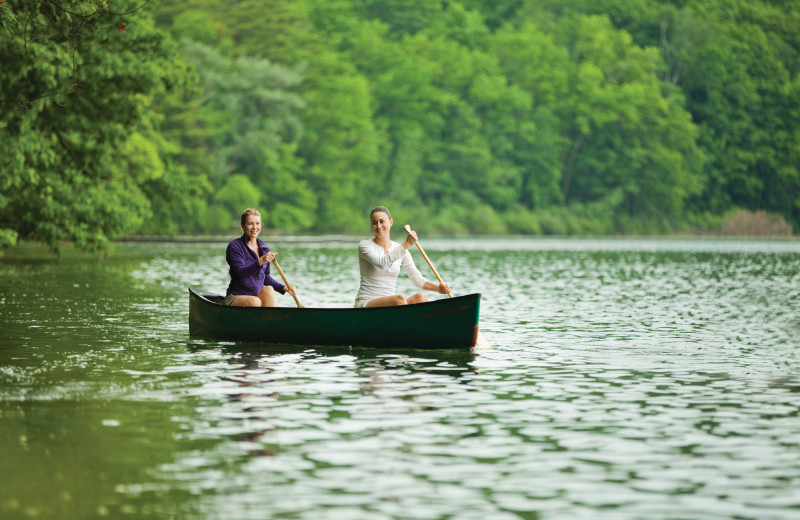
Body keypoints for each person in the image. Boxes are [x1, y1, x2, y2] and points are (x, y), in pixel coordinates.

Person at [354, 206, 450, 308]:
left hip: (390, 306)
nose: (378, 226)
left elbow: (416, 278)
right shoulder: (365, 245)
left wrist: (438, 289)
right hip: (366, 303)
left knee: (421, 298)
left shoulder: (400, 249)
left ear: (390, 222)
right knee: (399, 299)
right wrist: (407, 243)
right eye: (374, 222)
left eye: (382, 221)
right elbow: (382, 263)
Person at [223, 208, 296, 307]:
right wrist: (261, 260)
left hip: (256, 297)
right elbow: (239, 273)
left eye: (257, 223)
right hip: (236, 297)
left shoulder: (265, 249)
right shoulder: (235, 246)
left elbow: (265, 278)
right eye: (250, 224)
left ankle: (271, 320)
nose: (254, 227)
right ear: (242, 226)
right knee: (255, 302)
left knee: (268, 289)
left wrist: (284, 288)